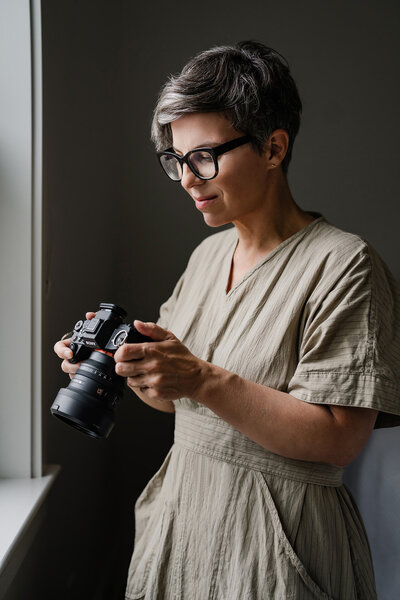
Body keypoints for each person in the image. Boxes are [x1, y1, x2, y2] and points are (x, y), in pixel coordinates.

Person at [54, 41, 400, 599]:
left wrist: (202, 378)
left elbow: (340, 440)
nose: (189, 179)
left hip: (283, 541)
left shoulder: (344, 265)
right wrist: (123, 367)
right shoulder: (208, 255)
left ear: (273, 148)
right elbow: (174, 401)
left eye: (205, 157)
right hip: (183, 523)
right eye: (176, 160)